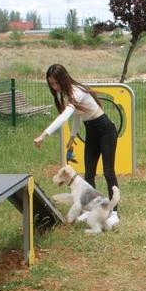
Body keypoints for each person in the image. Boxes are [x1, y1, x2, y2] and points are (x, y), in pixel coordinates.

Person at [34, 64, 119, 228]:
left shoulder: (76, 91)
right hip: (92, 132)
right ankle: (90, 208)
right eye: (51, 84)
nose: (54, 87)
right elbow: (77, 116)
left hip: (106, 130)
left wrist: (44, 134)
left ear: (64, 79)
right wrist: (72, 137)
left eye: (56, 83)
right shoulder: (68, 94)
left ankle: (114, 213)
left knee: (108, 172)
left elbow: (65, 116)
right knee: (89, 173)